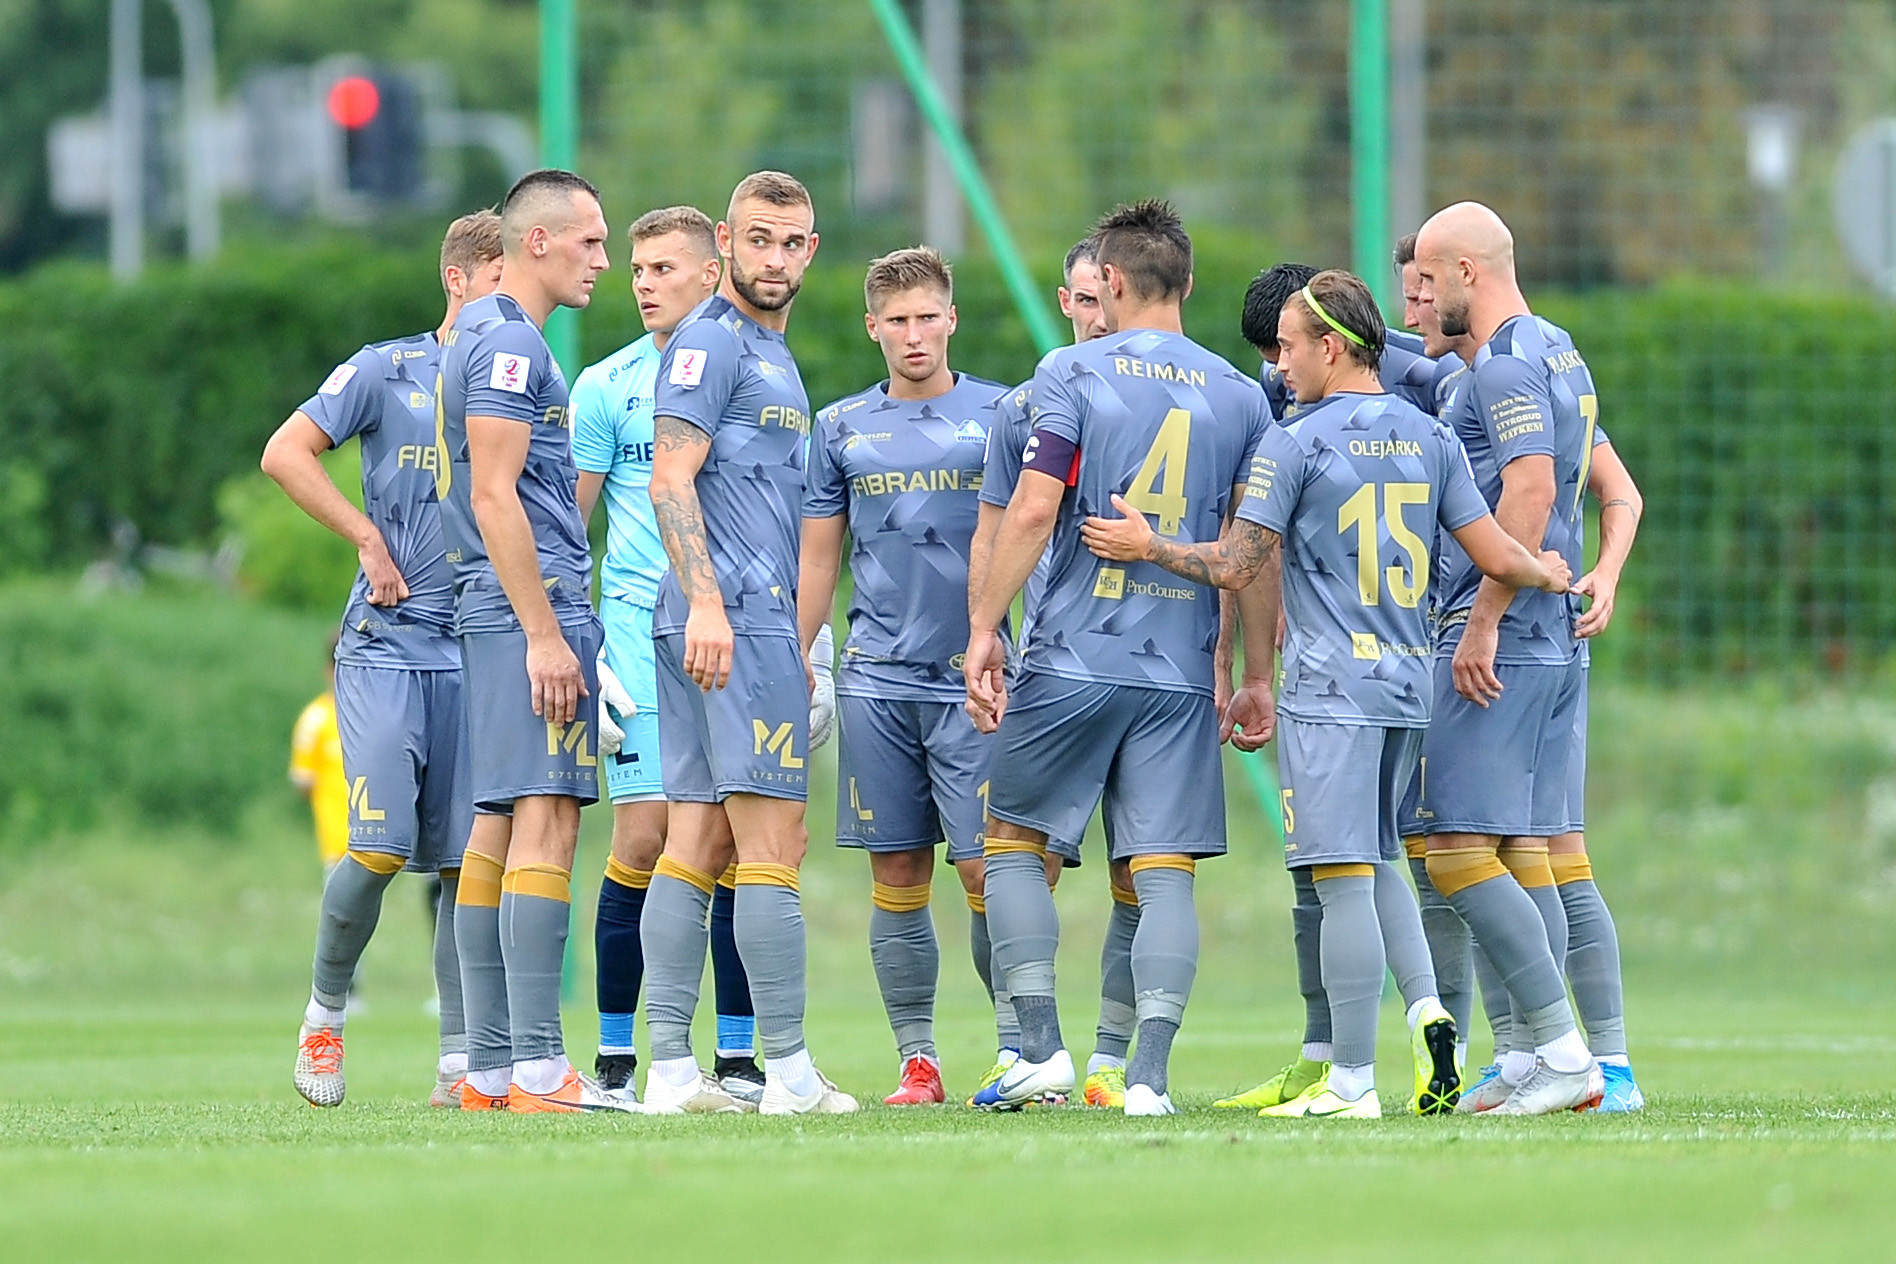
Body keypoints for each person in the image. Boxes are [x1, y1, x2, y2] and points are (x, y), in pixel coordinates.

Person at [1089, 269, 1570, 1117]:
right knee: (1379, 854)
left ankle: (1351, 1079)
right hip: (1407, 683)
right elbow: (1496, 550)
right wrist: (1550, 572)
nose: (1276, 365)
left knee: (1341, 875)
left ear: (1333, 346)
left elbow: (1238, 564)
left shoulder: (1297, 441)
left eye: (1287, 346)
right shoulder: (1429, 436)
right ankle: (1437, 1015)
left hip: (1328, 688)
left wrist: (1148, 546)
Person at [964, 200, 1274, 1116]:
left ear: (1114, 284)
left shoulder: (1070, 370)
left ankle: (1040, 1050)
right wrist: (1256, 673)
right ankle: (1146, 1078)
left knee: (1014, 844)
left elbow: (1029, 509)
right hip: (1180, 673)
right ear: (1184, 283)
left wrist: (985, 628)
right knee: (1161, 870)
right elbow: (1254, 552)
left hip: (1071, 657)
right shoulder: (1241, 395)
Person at [1399, 233, 1647, 1112]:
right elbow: (1622, 492)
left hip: (1511, 637)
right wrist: (1604, 574)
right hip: (1558, 638)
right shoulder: (1557, 353)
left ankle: (1562, 1054)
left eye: (1425, 280)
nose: (1414, 298)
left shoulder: (1504, 367)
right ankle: (1561, 1062)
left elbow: (1534, 493)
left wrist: (1484, 618)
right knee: (1538, 854)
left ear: (1467, 271)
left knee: (1463, 849)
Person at [266, 212, 504, 1110]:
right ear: (459, 278)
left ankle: (456, 1063)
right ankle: (325, 1017)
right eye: (497, 285)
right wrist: (365, 535)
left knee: (459, 866)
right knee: (377, 847)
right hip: (386, 650)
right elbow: (284, 452)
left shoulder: (519, 386)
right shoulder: (385, 368)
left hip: (475, 653)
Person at [640, 170, 857, 1116]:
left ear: (811, 252)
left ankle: (674, 1073)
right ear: (724, 243)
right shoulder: (712, 345)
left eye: (792, 242)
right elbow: (669, 479)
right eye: (758, 239)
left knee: (695, 840)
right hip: (726, 619)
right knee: (773, 842)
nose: (774, 258)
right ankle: (791, 1075)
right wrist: (710, 607)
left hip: (727, 618)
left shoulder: (772, 352)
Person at [799, 246, 1014, 1105]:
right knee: (897, 876)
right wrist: (797, 651)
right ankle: (916, 1063)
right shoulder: (840, 427)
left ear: (951, 319)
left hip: (976, 682)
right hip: (876, 682)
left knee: (987, 871)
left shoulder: (1004, 413)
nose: (914, 335)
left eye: (928, 317)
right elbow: (819, 561)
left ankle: (1020, 1049)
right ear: (872, 329)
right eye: (897, 321)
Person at [438, 169, 628, 1113]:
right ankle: (541, 1069)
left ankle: (486, 1069)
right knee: (548, 813)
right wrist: (546, 635)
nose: (604, 259)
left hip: (487, 601)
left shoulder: (471, 331)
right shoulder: (512, 343)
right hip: (530, 600)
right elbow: (493, 492)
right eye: (590, 241)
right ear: (540, 243)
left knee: (499, 821)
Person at [570, 204, 767, 1108]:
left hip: (737, 636)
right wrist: (582, 644)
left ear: (709, 268)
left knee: (731, 843)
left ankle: (736, 1059)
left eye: (661, 268)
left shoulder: (751, 365)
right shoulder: (607, 386)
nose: (642, 282)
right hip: (639, 643)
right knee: (647, 836)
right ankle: (619, 1058)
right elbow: (570, 529)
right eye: (636, 267)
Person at [966, 237, 1098, 1106]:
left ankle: (1121, 1062)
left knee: (1147, 865)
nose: (1096, 316)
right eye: (1082, 301)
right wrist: (991, 633)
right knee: (1008, 863)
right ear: (1064, 300)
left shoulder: (1186, 395)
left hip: (1142, 663)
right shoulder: (1028, 406)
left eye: (1106, 299)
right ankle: (1026, 1048)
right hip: (1050, 662)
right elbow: (995, 529)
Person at [289, 640, 348, 877]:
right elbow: (302, 780)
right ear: (328, 671)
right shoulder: (315, 719)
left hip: (381, 845)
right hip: (337, 843)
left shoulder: (375, 713)